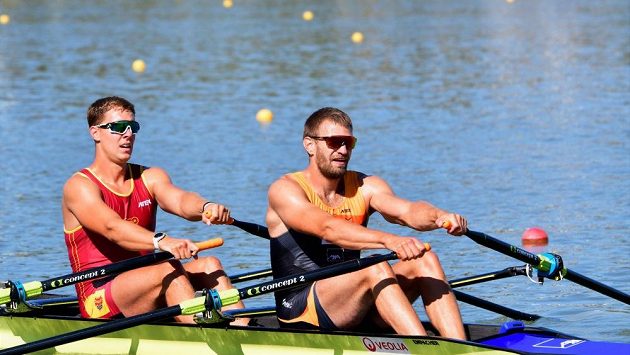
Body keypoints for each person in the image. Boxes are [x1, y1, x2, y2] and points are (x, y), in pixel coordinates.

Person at [265, 107, 467, 338]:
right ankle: (422, 349)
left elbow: (408, 210)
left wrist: (440, 216)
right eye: (334, 142)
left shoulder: (365, 186)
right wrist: (388, 240)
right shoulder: (285, 190)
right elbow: (328, 228)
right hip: (302, 309)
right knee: (374, 265)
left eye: (348, 143)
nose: (342, 150)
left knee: (425, 259)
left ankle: (460, 348)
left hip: (356, 302)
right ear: (309, 145)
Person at [62, 96, 247, 324]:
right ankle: (200, 338)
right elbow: (113, 229)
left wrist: (205, 207)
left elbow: (180, 200)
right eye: (118, 127)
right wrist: (162, 241)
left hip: (148, 283)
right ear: (95, 133)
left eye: (133, 127)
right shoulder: (80, 186)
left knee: (211, 266)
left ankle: (244, 334)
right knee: (167, 268)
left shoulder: (150, 177)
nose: (128, 134)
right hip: (99, 297)